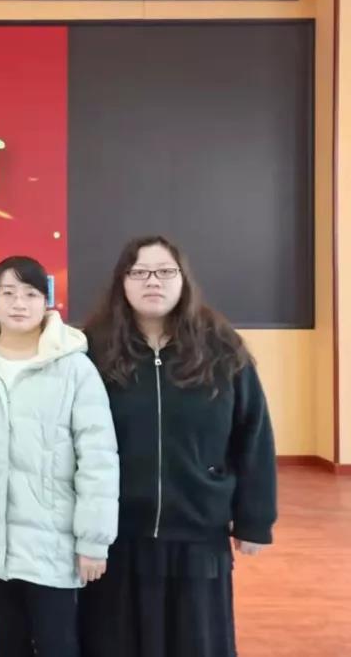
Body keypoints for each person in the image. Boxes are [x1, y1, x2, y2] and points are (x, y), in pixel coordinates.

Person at [80, 236, 277, 657]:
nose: (153, 281)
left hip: (198, 532)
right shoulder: (91, 350)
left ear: (183, 279)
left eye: (165, 271)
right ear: (122, 282)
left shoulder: (222, 348)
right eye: (139, 272)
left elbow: (253, 435)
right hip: (117, 535)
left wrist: (255, 520)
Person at [0, 256, 118, 657]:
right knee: (6, 639)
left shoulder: (74, 368)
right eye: (8, 293)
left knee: (56, 643)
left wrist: (94, 540)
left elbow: (98, 459)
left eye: (30, 294)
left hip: (53, 544)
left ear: (46, 302)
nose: (18, 303)